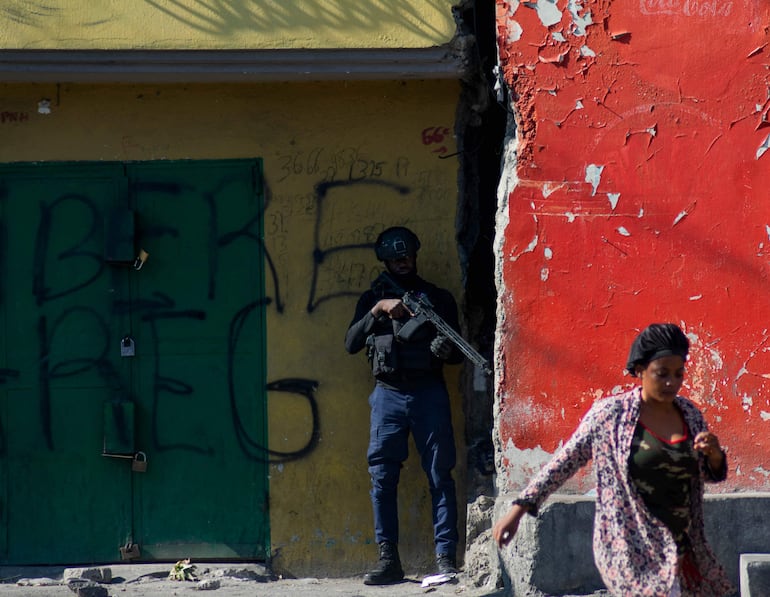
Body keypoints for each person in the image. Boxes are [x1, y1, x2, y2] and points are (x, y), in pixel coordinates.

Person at [493, 323, 735, 597]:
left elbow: (706, 473)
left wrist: (714, 455)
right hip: (629, 546)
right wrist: (519, 508)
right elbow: (564, 462)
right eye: (662, 374)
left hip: (681, 546)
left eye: (678, 374)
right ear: (640, 371)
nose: (672, 383)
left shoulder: (689, 414)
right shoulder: (610, 416)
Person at [345, 226, 463, 585]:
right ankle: (388, 560)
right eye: (395, 258)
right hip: (388, 394)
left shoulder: (438, 299)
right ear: (385, 261)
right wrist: (379, 309)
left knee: (440, 475)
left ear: (415, 256)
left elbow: (458, 354)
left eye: (407, 256)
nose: (402, 262)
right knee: (382, 478)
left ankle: (445, 558)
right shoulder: (372, 298)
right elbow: (350, 342)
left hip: (429, 392)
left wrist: (446, 350)